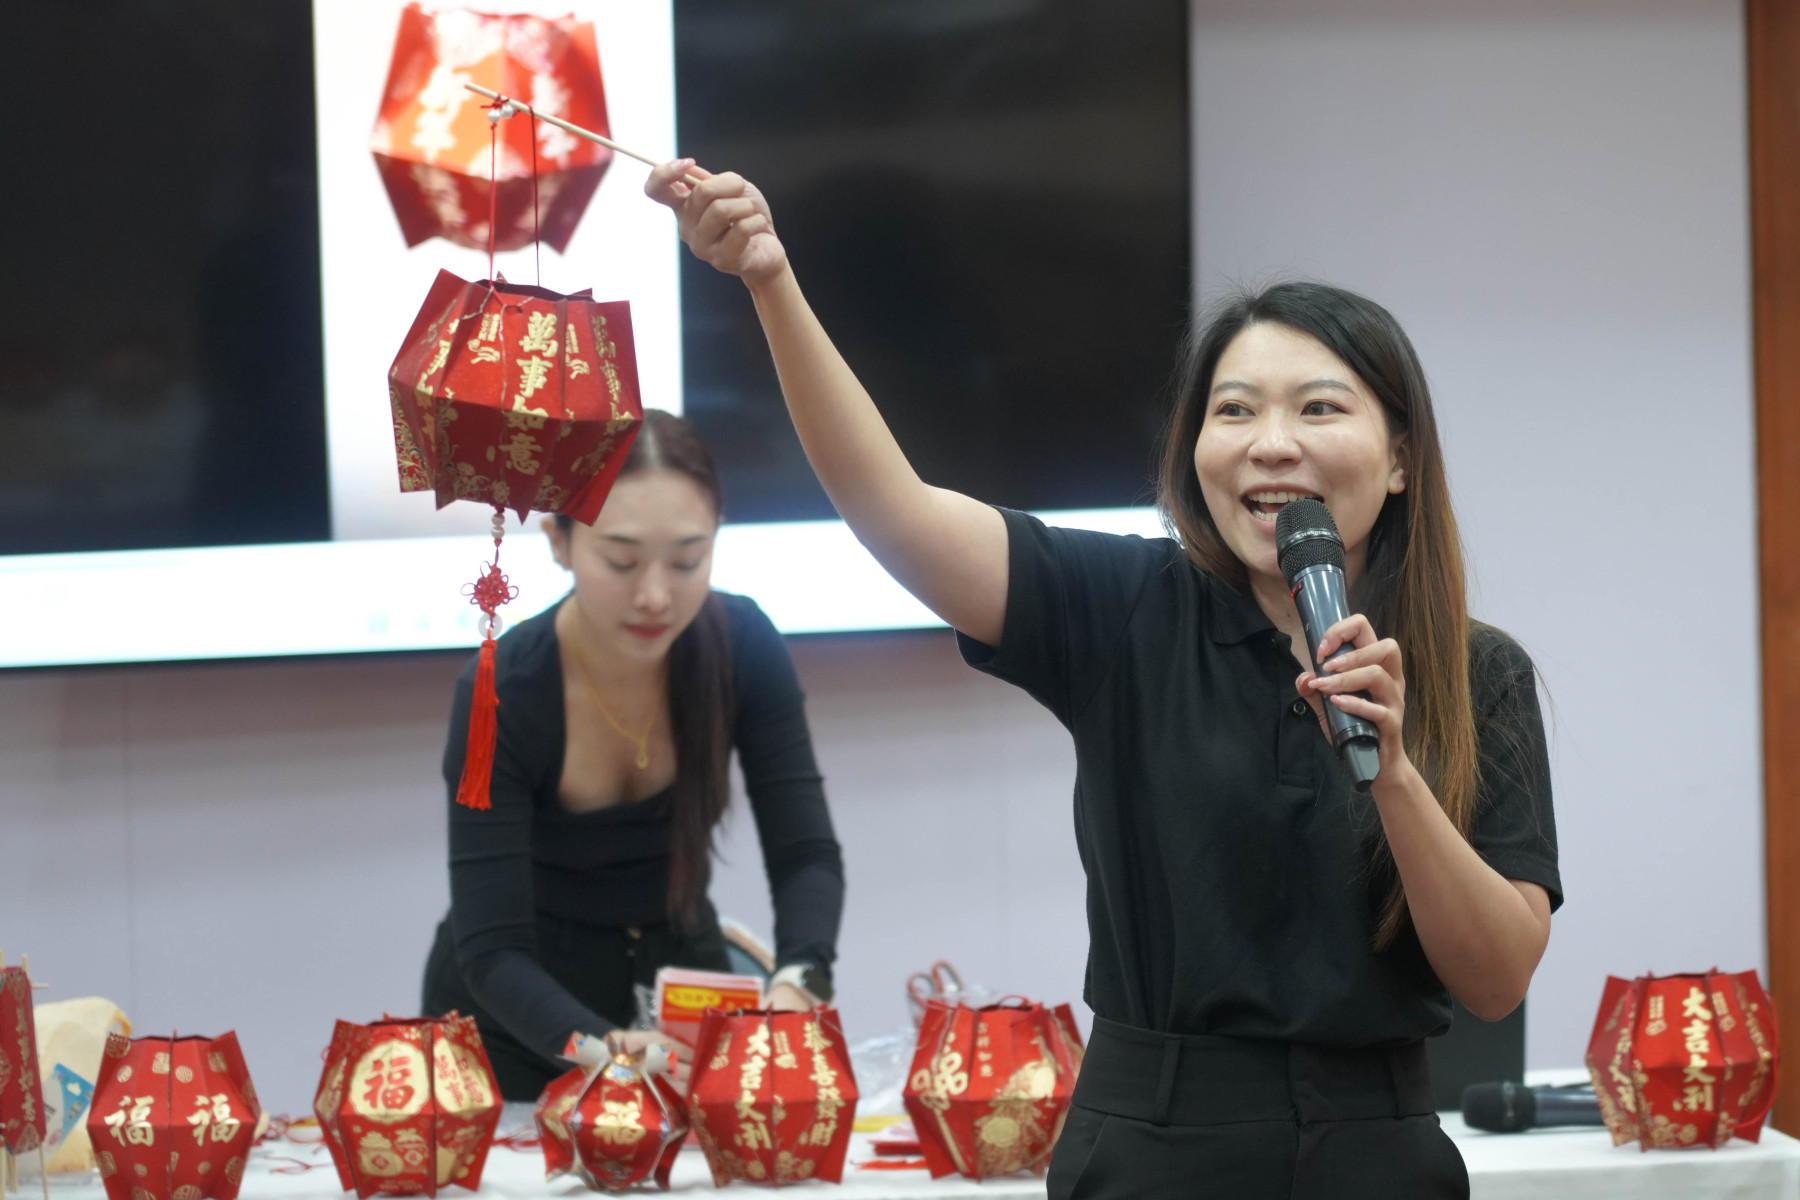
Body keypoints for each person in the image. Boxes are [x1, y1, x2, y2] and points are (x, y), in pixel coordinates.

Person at [645, 161, 1559, 1198]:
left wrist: (1392, 772)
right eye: (1234, 411)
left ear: (1398, 459)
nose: (1271, 445)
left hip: (1377, 1152)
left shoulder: (1476, 671)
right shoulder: (1129, 608)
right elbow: (893, 509)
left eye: (1317, 408)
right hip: (1153, 1147)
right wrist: (770, 281)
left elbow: (1495, 981)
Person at [422, 408, 845, 1101]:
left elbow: (806, 856)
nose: (655, 596)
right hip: (519, 1032)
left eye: (687, 561)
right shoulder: (503, 692)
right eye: (620, 561)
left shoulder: (741, 644)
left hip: (680, 1001)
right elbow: (493, 953)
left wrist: (799, 981)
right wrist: (605, 1051)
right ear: (558, 542)